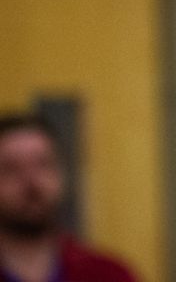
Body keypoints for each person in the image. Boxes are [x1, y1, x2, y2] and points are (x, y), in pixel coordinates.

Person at [0, 114, 139, 282]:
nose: (32, 182)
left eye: (43, 164)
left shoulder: (109, 275)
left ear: (61, 174)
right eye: (11, 168)